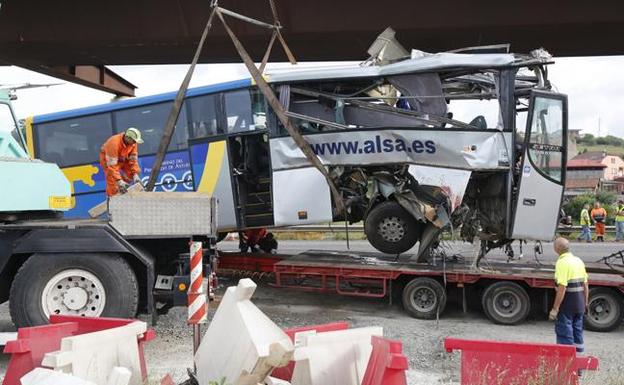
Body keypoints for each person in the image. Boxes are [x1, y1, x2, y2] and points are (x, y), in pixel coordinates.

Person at [549, 237, 588, 356]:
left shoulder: (562, 263)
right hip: (580, 304)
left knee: (565, 336)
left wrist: (555, 309)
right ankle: (578, 369)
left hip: (567, 306)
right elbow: (585, 285)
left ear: (557, 249)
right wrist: (585, 303)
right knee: (578, 335)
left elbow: (562, 287)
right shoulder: (578, 261)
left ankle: (567, 367)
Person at [99, 127, 144, 197]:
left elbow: (133, 159)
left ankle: (124, 187)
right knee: (112, 179)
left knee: (131, 174)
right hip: (108, 159)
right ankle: (113, 199)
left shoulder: (133, 143)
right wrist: (119, 181)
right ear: (127, 138)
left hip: (122, 156)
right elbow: (112, 167)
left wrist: (135, 174)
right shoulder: (113, 143)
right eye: (134, 141)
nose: (135, 143)